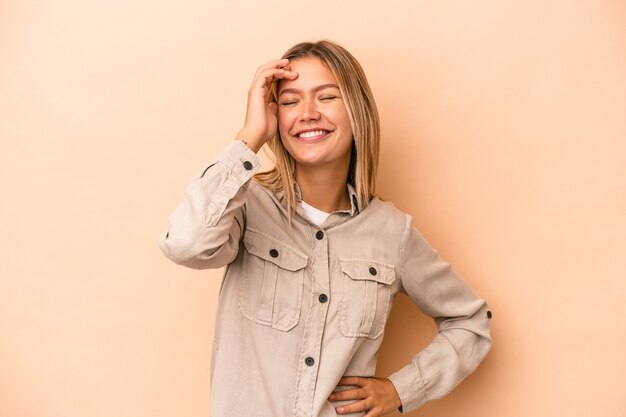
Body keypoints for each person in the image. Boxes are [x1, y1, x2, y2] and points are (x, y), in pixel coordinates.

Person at [158, 40, 492, 417]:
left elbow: (471, 321)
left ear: (357, 110)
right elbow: (185, 244)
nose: (308, 113)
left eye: (327, 96)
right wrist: (250, 134)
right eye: (290, 101)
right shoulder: (245, 205)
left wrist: (401, 391)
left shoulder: (391, 233)